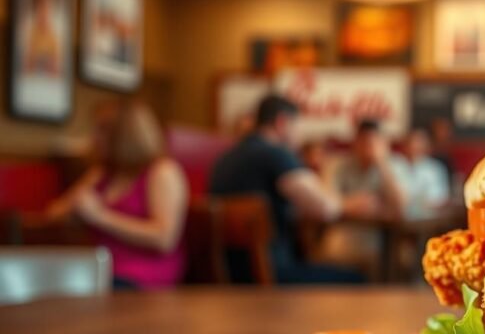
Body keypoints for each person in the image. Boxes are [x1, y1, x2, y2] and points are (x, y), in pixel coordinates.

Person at [208, 95, 373, 284]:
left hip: (228, 275)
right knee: (358, 279)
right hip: (269, 275)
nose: (297, 135)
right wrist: (349, 204)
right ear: (282, 122)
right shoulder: (275, 154)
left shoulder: (224, 159)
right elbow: (325, 208)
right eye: (296, 126)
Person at [45, 100, 187, 289]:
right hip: (98, 271)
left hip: (143, 276)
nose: (94, 138)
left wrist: (100, 217)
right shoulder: (103, 173)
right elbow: (52, 214)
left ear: (124, 136)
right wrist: (74, 209)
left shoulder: (162, 171)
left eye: (102, 130)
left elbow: (164, 239)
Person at [334, 120, 406, 217]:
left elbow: (401, 205)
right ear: (355, 142)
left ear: (383, 142)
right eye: (363, 141)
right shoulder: (341, 165)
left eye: (373, 141)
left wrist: (382, 163)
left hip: (383, 229)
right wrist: (350, 204)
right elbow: (328, 201)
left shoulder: (397, 164)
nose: (368, 146)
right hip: (347, 224)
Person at [395, 128, 450, 219]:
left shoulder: (435, 168)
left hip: (429, 222)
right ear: (405, 145)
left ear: (427, 146)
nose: (415, 146)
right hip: (397, 221)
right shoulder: (396, 164)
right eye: (412, 142)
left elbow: (438, 200)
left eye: (419, 142)